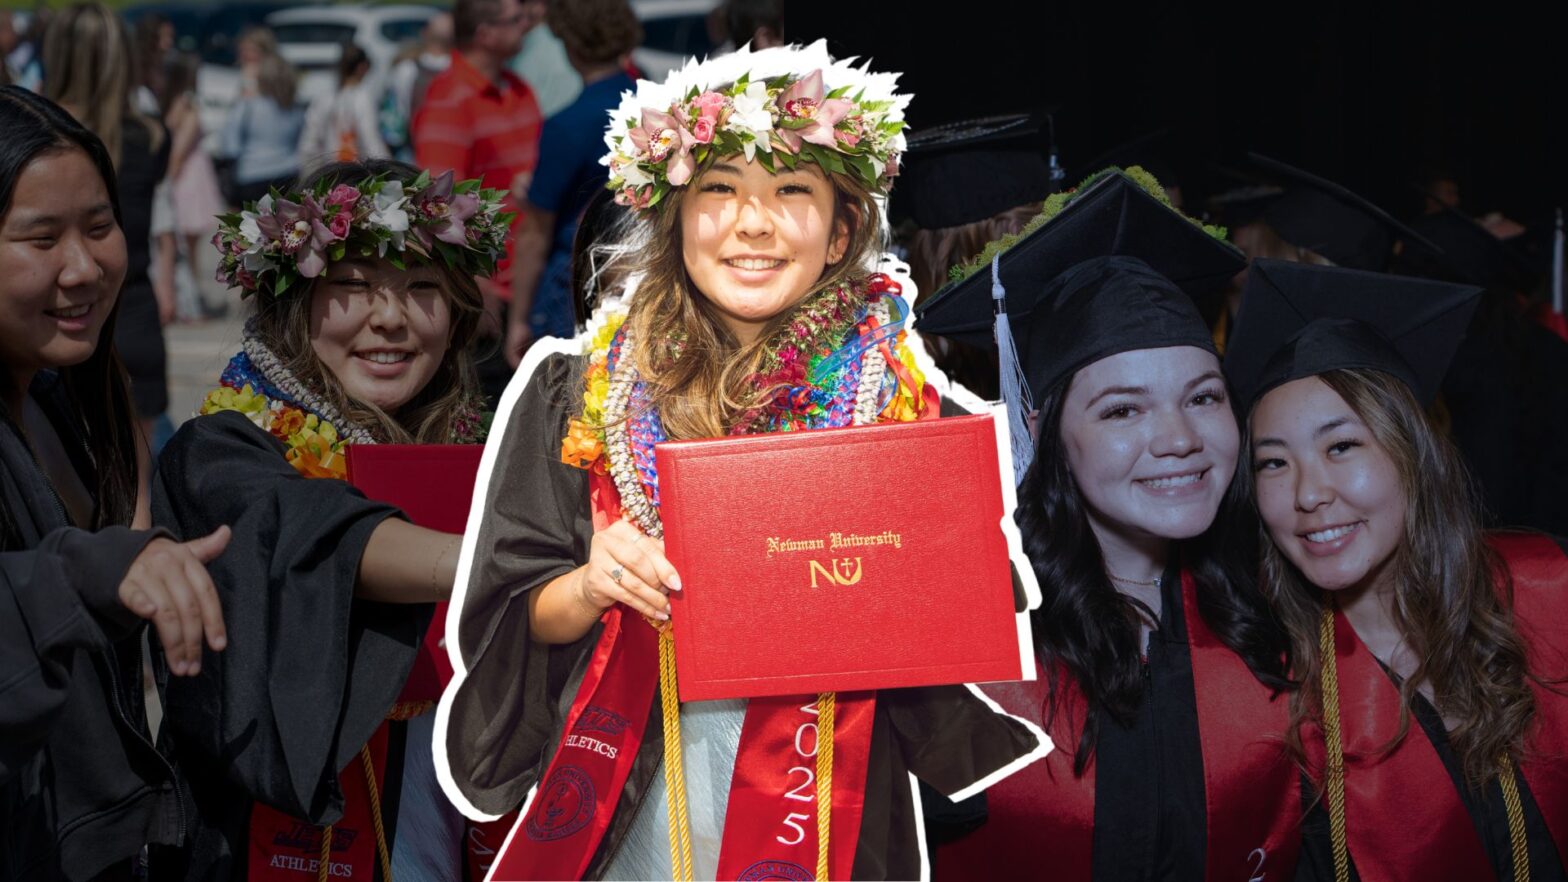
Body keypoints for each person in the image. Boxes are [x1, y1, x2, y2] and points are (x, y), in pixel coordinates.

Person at [438, 41, 1047, 880]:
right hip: (632, 800)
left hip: (831, 807)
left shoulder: (896, 401)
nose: (752, 223)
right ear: (675, 216)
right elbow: (508, 606)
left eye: (790, 191)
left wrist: (913, 567)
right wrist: (587, 585)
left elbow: (970, 606)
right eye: (719, 190)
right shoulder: (573, 390)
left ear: (840, 234)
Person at [914, 169, 1301, 880]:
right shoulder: (963, 646)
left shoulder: (1279, 612)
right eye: (1124, 410)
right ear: (1044, 430)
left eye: (1204, 397)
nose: (1179, 437)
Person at [151, 159, 502, 880]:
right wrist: (499, 562)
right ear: (294, 304)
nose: (391, 319)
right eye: (351, 287)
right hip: (259, 840)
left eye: (424, 289)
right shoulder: (222, 448)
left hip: (437, 824)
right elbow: (310, 532)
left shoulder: (486, 451)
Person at [1221, 259, 1568, 882]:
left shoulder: (1550, 593)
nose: (1307, 494)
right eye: (1272, 463)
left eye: (1341, 446)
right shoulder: (1263, 689)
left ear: (1414, 452)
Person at [0, 84, 229, 882]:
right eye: (39, 239)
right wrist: (92, 569)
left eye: (100, 228)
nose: (84, 267)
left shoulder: (71, 397)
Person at [42, 2, 171, 480]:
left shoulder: (33, 142)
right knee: (136, 486)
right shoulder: (152, 136)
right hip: (130, 304)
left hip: (56, 312)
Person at [413, 0, 543, 402]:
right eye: (515, 19)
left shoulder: (516, 87)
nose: (527, 24)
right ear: (485, 34)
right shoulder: (449, 100)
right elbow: (438, 204)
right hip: (493, 296)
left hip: (528, 285)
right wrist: (476, 280)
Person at [503, 0, 640, 364]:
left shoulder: (567, 125)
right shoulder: (653, 106)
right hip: (643, 272)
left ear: (571, 44)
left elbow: (535, 231)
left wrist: (518, 318)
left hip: (575, 286)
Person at [155, 51, 228, 323]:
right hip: (188, 180)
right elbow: (178, 153)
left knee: (184, 247)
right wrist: (166, 184)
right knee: (186, 249)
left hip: (187, 177)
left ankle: (189, 299)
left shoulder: (168, 103)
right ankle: (189, 302)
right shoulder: (186, 106)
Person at [221, 54, 306, 206]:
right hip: (287, 175)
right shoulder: (294, 107)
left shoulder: (248, 105)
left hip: (251, 176)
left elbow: (230, 146)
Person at [299, 43, 390, 170]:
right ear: (362, 67)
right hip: (356, 173)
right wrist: (387, 170)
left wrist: (309, 172)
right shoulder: (363, 98)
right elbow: (371, 140)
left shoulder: (324, 98)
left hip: (329, 171)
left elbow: (309, 143)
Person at [381, 12, 453, 163]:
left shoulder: (405, 70)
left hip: (414, 149)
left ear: (425, 33)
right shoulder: (460, 71)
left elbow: (395, 115)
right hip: (451, 150)